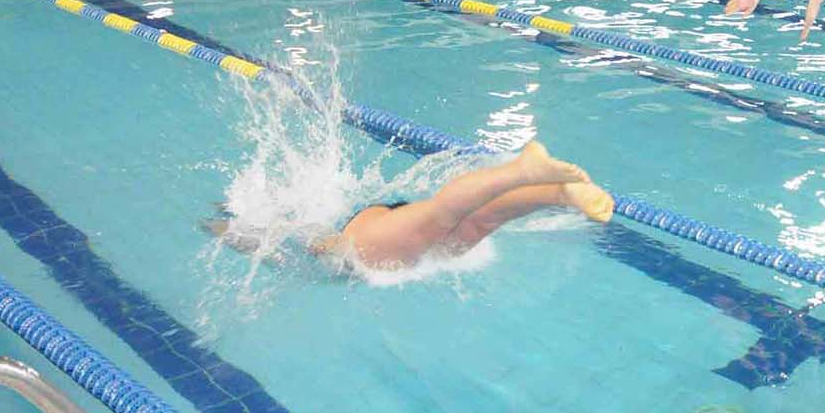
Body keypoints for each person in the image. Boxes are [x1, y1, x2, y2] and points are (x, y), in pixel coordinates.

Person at [210, 142, 611, 270]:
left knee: (443, 216)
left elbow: (313, 244)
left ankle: (522, 170)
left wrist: (221, 230)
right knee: (478, 222)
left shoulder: (346, 237)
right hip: (385, 221)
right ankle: (560, 194)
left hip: (365, 231)